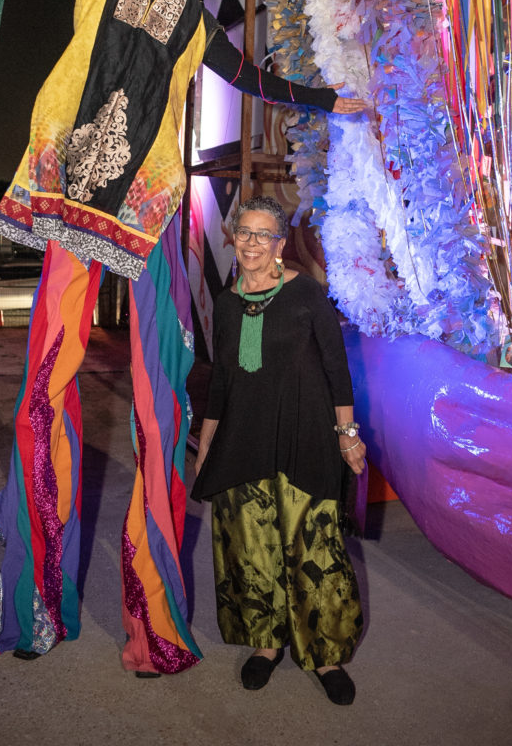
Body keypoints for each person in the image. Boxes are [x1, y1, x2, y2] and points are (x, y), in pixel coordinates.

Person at [0, 0, 367, 675]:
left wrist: (327, 102)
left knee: (162, 409)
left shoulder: (198, 28)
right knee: (45, 393)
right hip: (75, 200)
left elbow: (258, 80)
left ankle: (155, 623)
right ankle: (34, 601)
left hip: (147, 216)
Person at [192, 196, 365, 703]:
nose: (250, 243)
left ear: (280, 244)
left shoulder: (307, 295)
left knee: (317, 552)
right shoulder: (226, 304)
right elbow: (221, 383)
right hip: (242, 443)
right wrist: (205, 447)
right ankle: (265, 644)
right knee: (250, 550)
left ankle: (326, 654)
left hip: (305, 439)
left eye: (262, 234)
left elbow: (338, 372)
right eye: (243, 232)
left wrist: (347, 436)